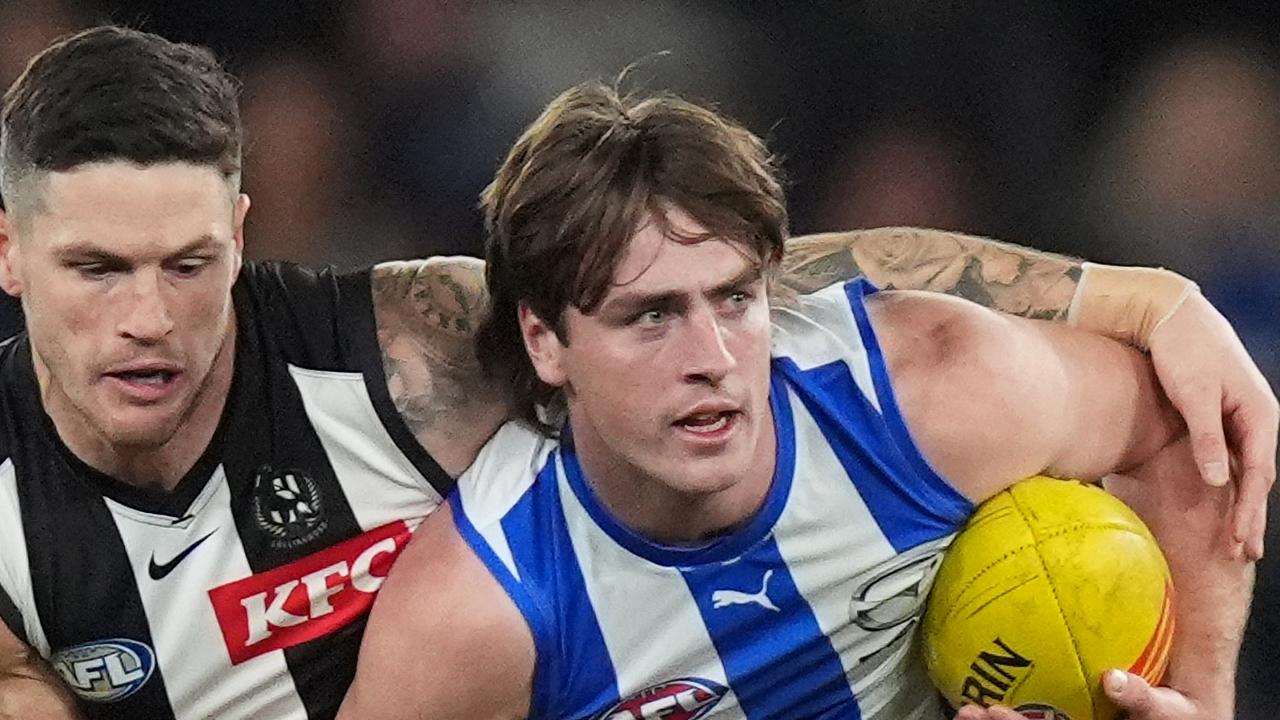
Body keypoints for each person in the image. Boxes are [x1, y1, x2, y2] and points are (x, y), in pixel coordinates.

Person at [0, 25, 1269, 720]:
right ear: (8, 255)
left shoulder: (401, 346)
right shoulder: (476, 616)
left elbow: (674, 259)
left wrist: (1138, 296)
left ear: (242, 237)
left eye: (185, 264)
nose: (147, 321)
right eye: (96, 269)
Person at [338, 82, 1253, 720]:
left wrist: (1201, 703)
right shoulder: (480, 613)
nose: (714, 359)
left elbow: (1188, 428)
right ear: (545, 341)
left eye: (734, 298)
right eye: (650, 317)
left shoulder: (934, 394)